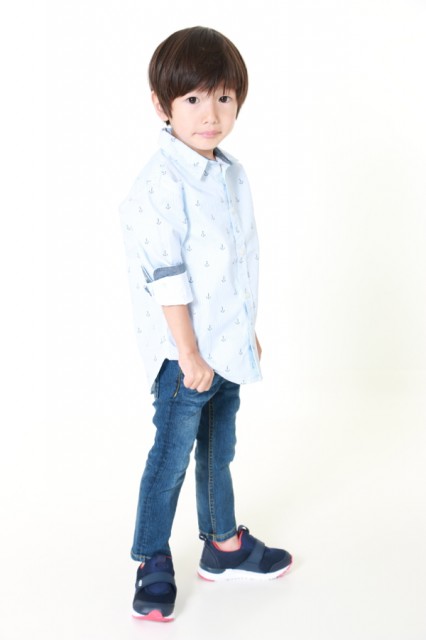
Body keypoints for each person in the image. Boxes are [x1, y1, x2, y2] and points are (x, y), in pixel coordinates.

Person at [119, 26, 292, 622]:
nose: (210, 113)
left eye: (222, 97)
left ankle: (223, 543)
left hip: (227, 347)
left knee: (219, 449)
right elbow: (167, 276)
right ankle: (151, 558)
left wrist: (246, 330)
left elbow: (235, 261)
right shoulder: (160, 182)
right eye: (192, 98)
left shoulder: (230, 173)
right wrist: (189, 354)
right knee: (170, 460)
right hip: (184, 357)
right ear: (161, 104)